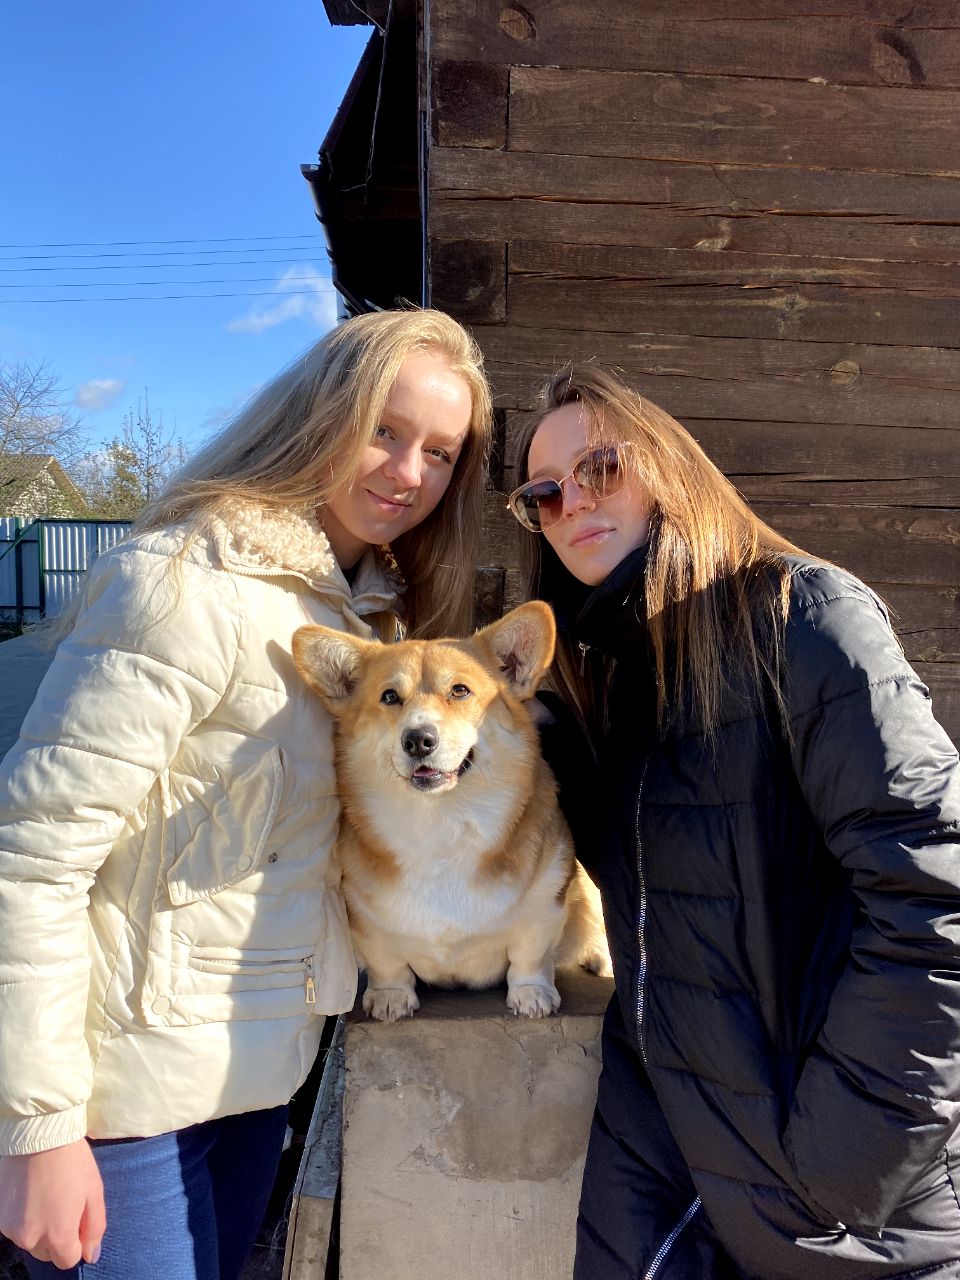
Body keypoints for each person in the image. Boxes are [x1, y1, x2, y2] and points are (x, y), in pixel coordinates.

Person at [0, 307, 493, 1279]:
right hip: (125, 1101)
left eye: (440, 452)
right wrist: (37, 1124)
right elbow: (31, 857)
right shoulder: (186, 584)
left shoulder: (377, 622)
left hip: (259, 1074)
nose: (409, 472)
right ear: (320, 414)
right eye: (385, 430)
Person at [507, 364, 960, 1279]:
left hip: (843, 1208)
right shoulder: (616, 677)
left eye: (602, 467)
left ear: (669, 464)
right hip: (664, 1175)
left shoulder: (804, 616)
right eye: (543, 495)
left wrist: (847, 1159)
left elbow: (937, 893)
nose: (573, 503)